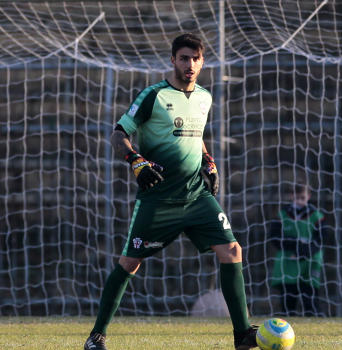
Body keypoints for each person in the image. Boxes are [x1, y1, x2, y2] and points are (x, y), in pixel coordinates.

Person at [83, 33, 258, 350]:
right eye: (183, 58)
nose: (189, 64)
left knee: (232, 251)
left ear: (202, 62)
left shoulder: (204, 97)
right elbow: (118, 133)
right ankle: (96, 337)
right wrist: (136, 161)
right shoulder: (154, 95)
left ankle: (243, 334)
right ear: (173, 60)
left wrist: (209, 162)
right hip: (159, 198)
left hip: (196, 196)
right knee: (129, 263)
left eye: (195, 58)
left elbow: (196, 135)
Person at [269, 183, 326, 317]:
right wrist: (295, 244)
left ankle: (314, 331)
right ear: (290, 196)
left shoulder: (317, 216)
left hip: (310, 262)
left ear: (308, 196)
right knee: (288, 303)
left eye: (302, 197)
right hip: (288, 263)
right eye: (296, 197)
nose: (299, 201)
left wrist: (303, 251)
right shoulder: (282, 215)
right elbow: (274, 237)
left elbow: (321, 240)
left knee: (310, 302)